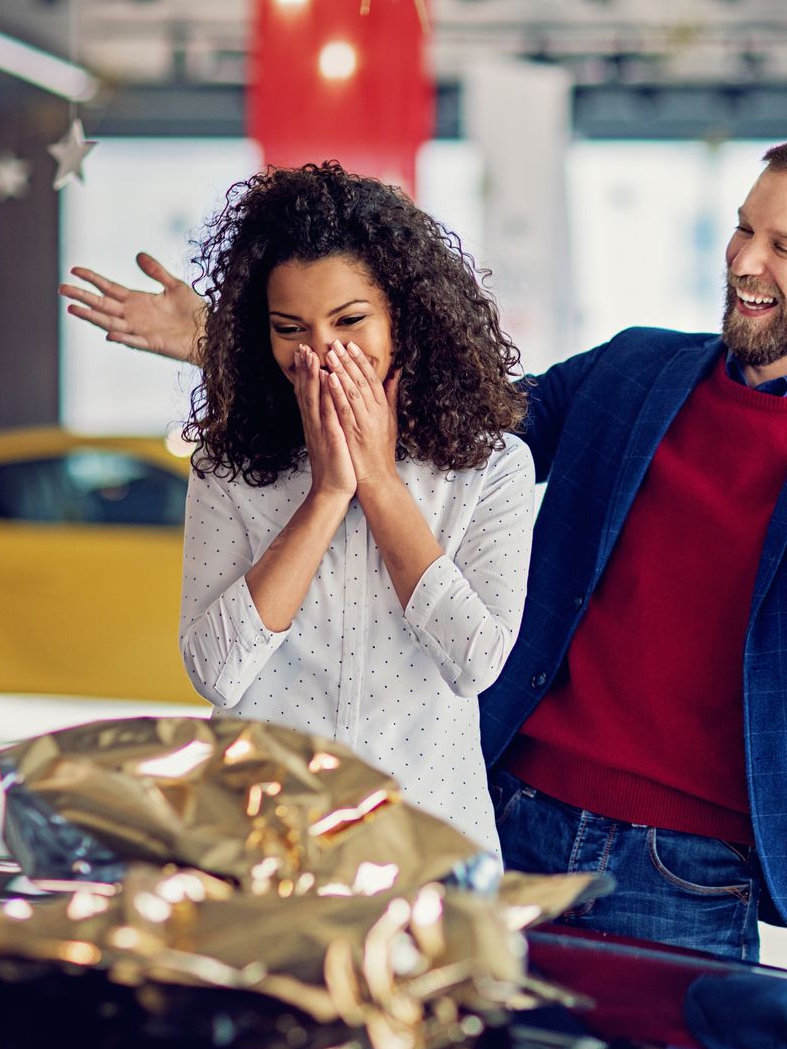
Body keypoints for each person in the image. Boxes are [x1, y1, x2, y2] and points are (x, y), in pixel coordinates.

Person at [62, 133, 787, 962]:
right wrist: (239, 346)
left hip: (692, 867)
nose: (744, 259)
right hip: (515, 811)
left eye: (784, 246)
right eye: (744, 229)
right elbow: (453, 412)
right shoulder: (635, 371)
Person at [109, 162, 533, 854]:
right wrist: (328, 494)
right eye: (289, 328)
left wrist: (381, 485)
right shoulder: (228, 466)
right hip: (261, 851)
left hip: (426, 856)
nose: (321, 353)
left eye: (350, 320)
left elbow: (475, 661)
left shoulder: (490, 467)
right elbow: (216, 671)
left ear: (407, 314)